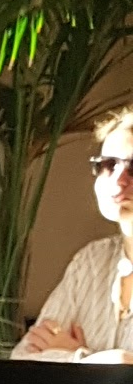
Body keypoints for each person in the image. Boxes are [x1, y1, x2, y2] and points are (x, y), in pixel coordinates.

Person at [14, 105, 133, 358]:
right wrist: (94, 360)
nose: (118, 181)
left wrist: (76, 358)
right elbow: (24, 358)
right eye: (108, 165)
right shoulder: (92, 261)